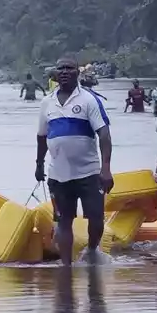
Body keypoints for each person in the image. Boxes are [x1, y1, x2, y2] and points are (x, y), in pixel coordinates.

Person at [35, 55, 114, 267]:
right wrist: (39, 164)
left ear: (77, 72)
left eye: (69, 68)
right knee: (63, 220)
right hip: (58, 174)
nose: (64, 72)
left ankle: (91, 250)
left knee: (96, 219)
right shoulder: (46, 103)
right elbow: (42, 136)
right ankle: (66, 266)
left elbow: (104, 135)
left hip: (88, 173)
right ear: (55, 73)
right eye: (60, 68)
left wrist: (105, 169)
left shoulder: (89, 100)